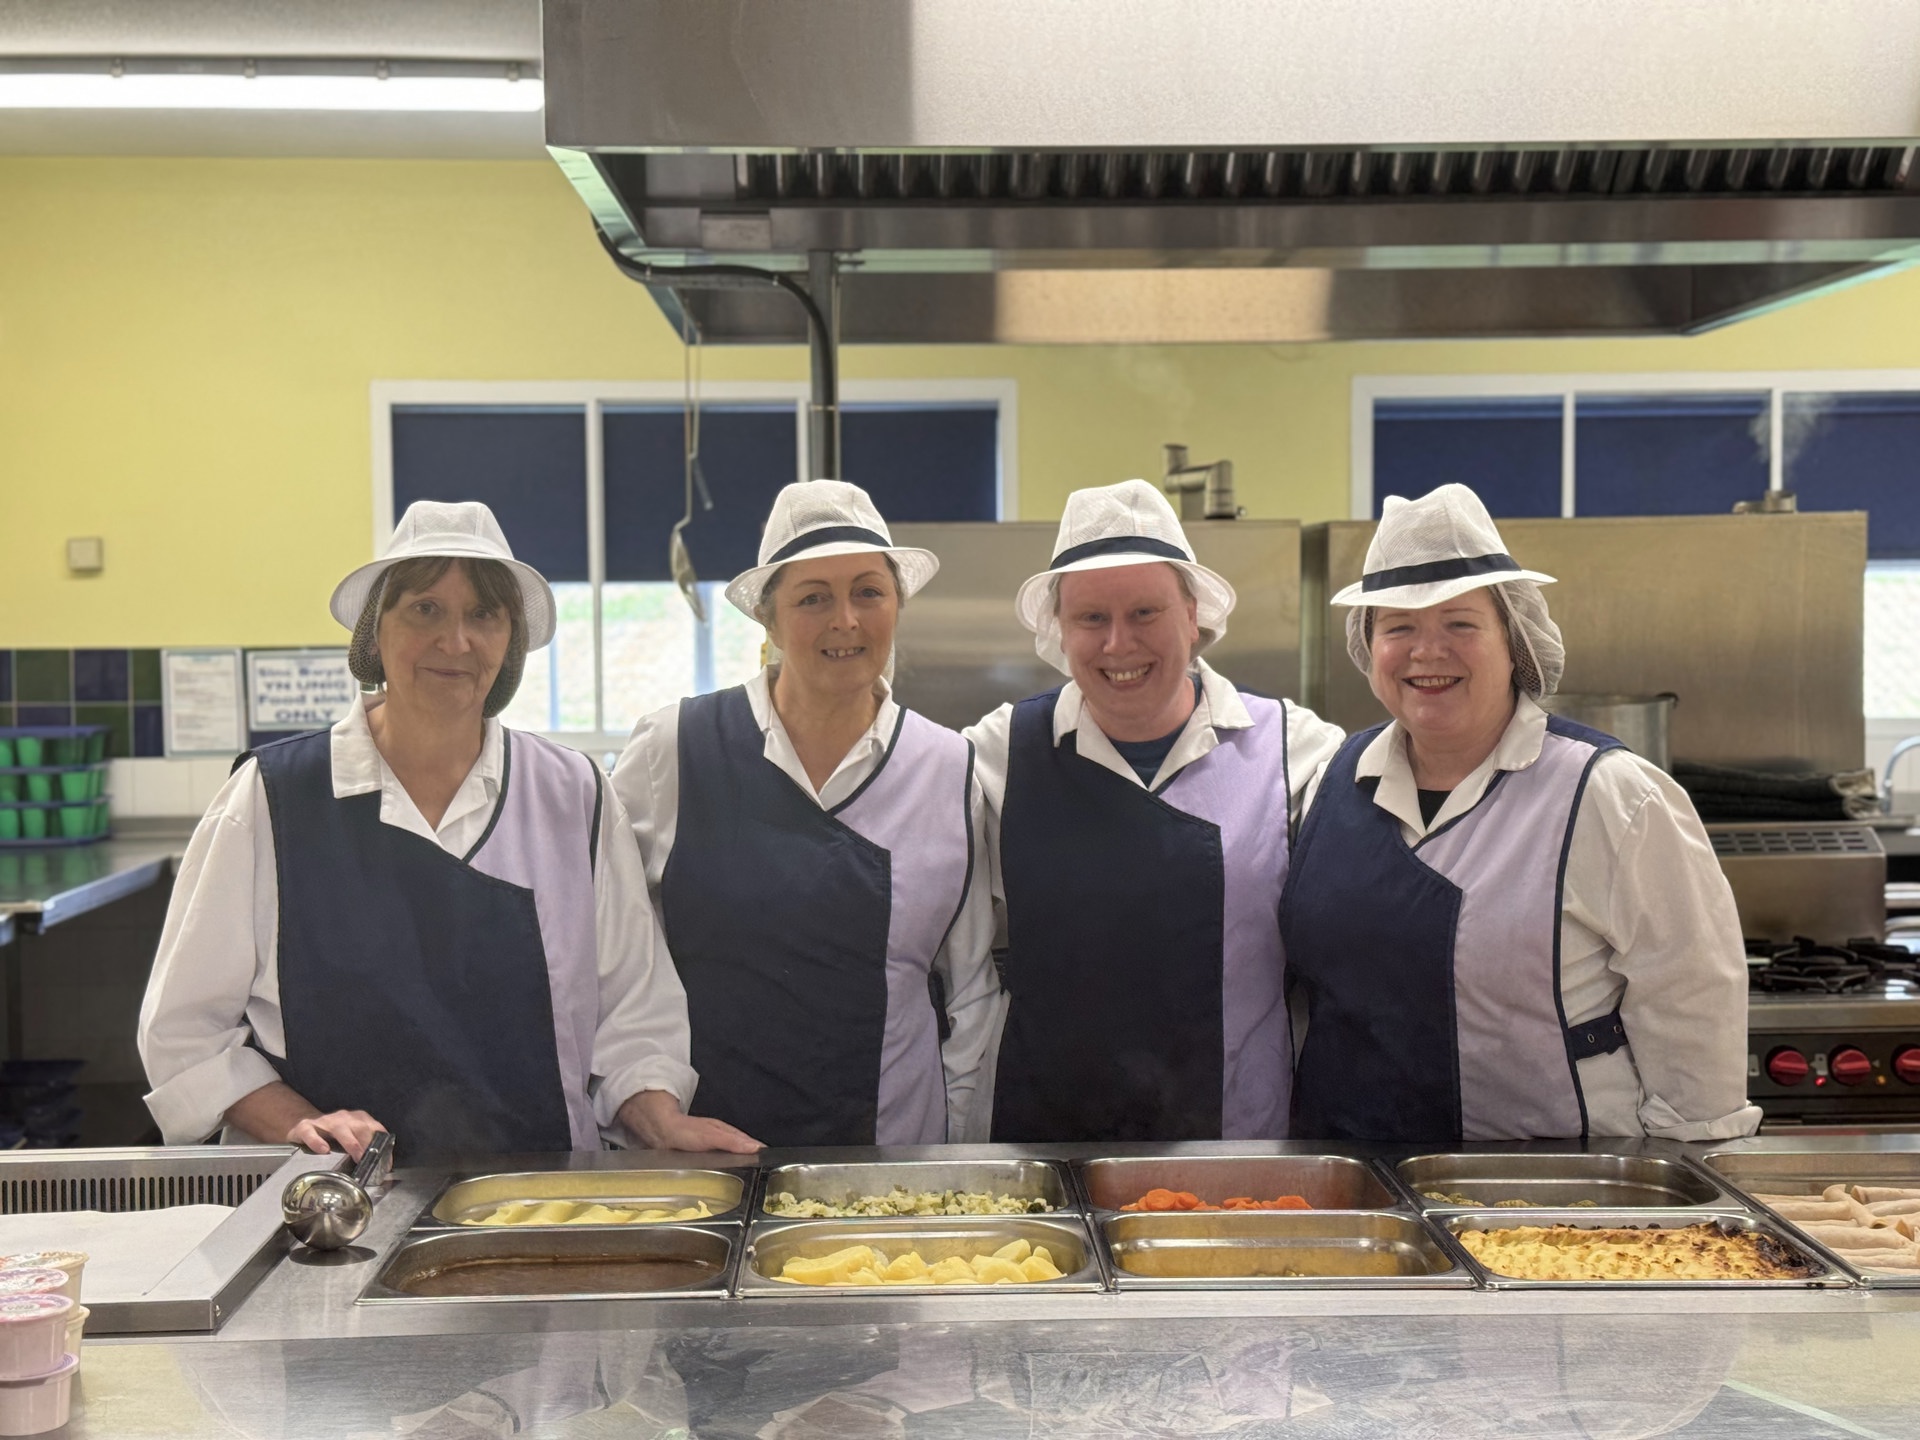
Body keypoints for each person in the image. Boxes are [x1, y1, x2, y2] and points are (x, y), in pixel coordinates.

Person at [138, 501, 752, 1159]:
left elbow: (633, 1014)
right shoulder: (272, 798)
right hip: (336, 1208)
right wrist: (299, 1120)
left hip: (543, 1201)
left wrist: (659, 1119)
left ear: (509, 639)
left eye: (482, 615)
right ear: (376, 633)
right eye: (425, 610)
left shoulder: (573, 795)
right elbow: (185, 1034)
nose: (455, 642)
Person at [1284, 483, 1760, 1142]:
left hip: (1554, 1191)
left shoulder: (1609, 796)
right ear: (1368, 648)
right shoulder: (1330, 783)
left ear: (1515, 642)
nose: (1427, 651)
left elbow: (1690, 997)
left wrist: (1693, 1173)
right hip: (1357, 1183)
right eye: (1399, 627)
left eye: (1460, 623)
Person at [613, 481, 998, 1147]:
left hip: (888, 1173)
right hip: (703, 1165)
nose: (845, 620)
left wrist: (956, 1164)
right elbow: (614, 954)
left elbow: (970, 996)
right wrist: (642, 1105)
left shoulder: (949, 770)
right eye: (813, 597)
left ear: (897, 604)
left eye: (868, 592)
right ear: (767, 617)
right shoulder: (675, 748)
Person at [965, 479, 1345, 1141]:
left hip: (1236, 1150)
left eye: (1145, 613)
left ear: (1192, 617)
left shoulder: (1297, 751)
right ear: (1060, 628)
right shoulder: (997, 754)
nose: (1118, 644)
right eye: (1091, 618)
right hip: (1048, 1150)